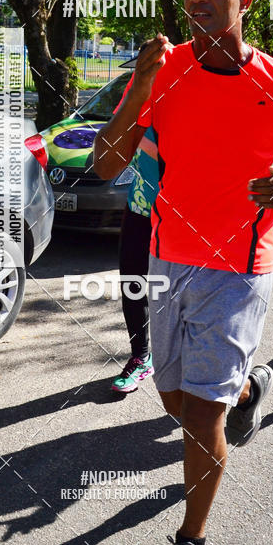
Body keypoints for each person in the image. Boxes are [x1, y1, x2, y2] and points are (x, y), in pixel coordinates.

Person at [93, 0, 273, 545]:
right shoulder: (161, 71)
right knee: (173, 401)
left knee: (200, 419)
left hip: (240, 265)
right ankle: (249, 390)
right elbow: (107, 166)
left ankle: (190, 544)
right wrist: (140, 83)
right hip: (167, 260)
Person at [110, 124, 158, 393]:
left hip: (183, 212)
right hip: (139, 205)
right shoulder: (141, 91)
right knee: (132, 283)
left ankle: (188, 362)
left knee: (183, 290)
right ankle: (141, 357)